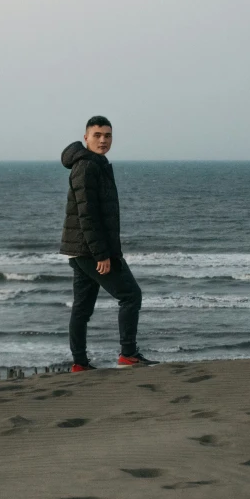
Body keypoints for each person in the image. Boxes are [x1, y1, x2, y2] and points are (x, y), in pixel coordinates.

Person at [60, 115, 159, 372]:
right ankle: (128, 354)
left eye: (108, 136)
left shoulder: (96, 164)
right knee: (130, 295)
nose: (103, 140)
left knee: (82, 308)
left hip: (82, 249)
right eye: (97, 135)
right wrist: (101, 254)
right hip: (91, 250)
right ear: (86, 138)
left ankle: (79, 364)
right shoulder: (87, 167)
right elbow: (87, 215)